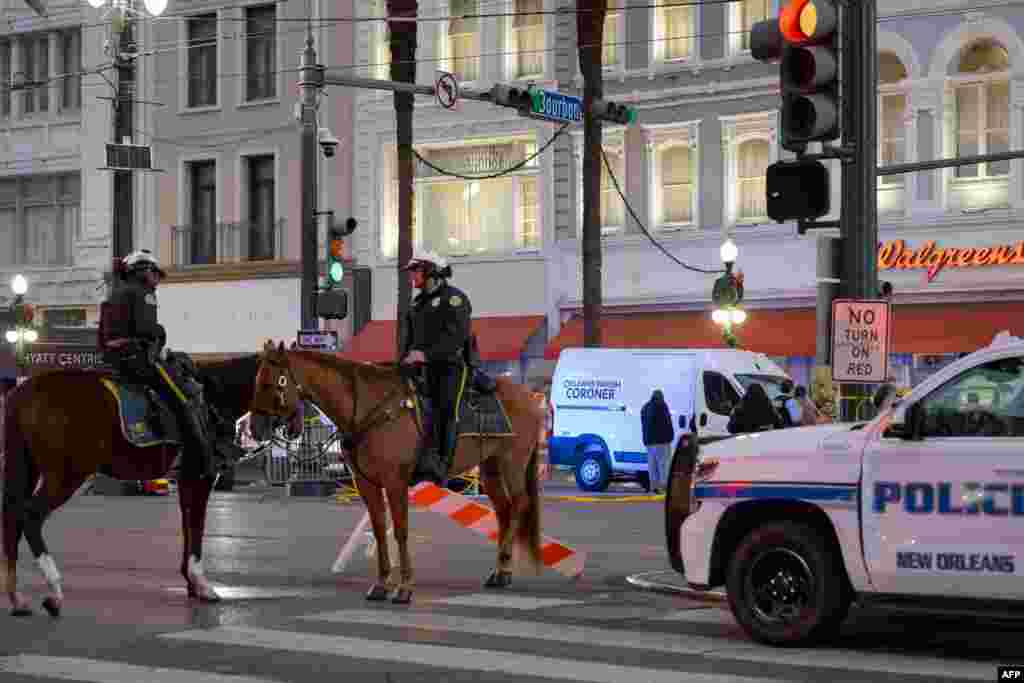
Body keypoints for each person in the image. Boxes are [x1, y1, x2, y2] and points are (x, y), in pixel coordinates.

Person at [99, 249, 218, 480]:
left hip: (116, 358)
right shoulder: (144, 294)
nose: (157, 280)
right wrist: (160, 331)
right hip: (137, 358)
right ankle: (197, 459)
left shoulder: (115, 293)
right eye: (155, 273)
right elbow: (146, 329)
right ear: (142, 272)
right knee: (183, 399)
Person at [400, 249, 472, 486]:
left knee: (445, 410)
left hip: (450, 368)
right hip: (421, 371)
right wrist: (404, 359)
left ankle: (441, 464)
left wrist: (425, 355)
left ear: (431, 272)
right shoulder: (417, 304)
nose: (412, 277)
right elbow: (410, 341)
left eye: (416, 271)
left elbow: (457, 339)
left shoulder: (455, 299)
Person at [640, 389, 674, 494]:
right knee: (663, 465)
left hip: (649, 443)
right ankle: (663, 487)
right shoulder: (662, 406)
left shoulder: (645, 407)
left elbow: (643, 424)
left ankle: (653, 486)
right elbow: (668, 423)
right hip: (662, 442)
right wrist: (670, 436)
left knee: (652, 465)